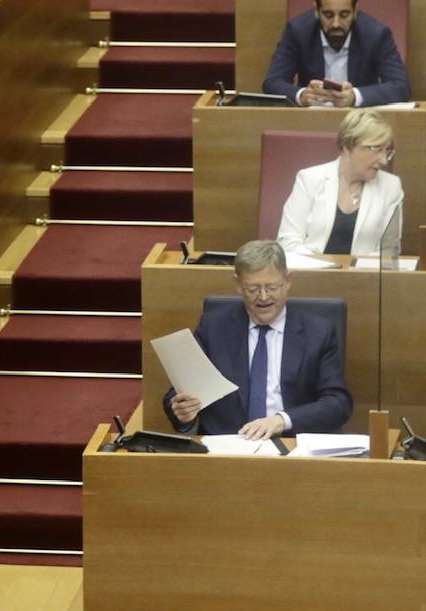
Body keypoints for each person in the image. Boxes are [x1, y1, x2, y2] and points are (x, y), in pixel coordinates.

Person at [163, 240, 352, 439]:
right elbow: (178, 391)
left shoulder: (318, 331)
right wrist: (181, 410)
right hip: (228, 445)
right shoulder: (214, 327)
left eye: (271, 287)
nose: (263, 297)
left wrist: (281, 420)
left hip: (292, 443)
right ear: (238, 284)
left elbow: (338, 403)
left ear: (287, 281)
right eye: (253, 289)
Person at [276, 109, 401, 257]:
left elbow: (389, 249)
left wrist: (354, 270)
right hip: (311, 274)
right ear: (348, 147)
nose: (384, 160)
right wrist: (324, 267)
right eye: (377, 149)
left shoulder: (391, 186)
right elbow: (288, 241)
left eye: (387, 151)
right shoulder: (310, 179)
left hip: (364, 276)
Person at [263, 0, 408, 108]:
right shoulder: (297, 31)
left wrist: (354, 97)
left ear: (355, 11)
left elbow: (401, 86)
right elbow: (272, 82)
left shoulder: (376, 35)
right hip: (312, 122)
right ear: (316, 11)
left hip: (360, 122)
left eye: (344, 15)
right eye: (328, 15)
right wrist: (302, 95)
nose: (336, 24)